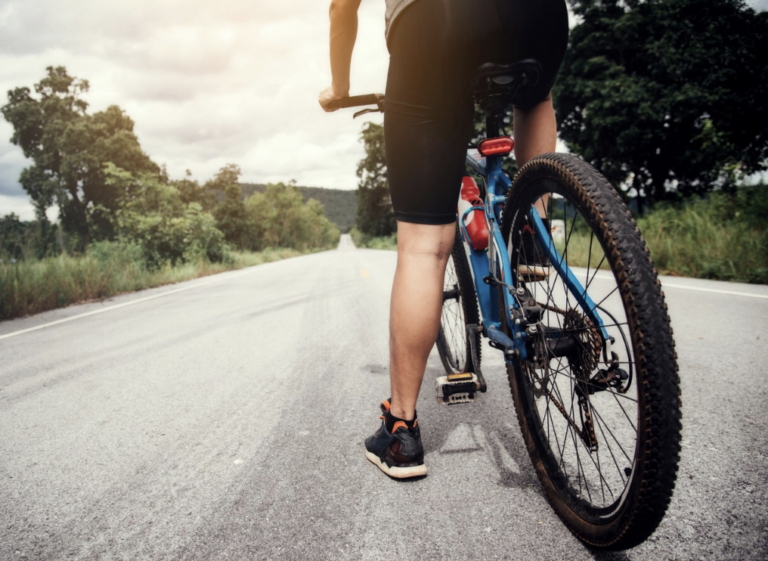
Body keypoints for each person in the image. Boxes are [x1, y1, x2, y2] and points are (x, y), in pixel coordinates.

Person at [319, 0, 569, 479]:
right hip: (538, 17)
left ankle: (401, 431)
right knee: (536, 96)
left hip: (437, 22)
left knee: (423, 246)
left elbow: (341, 7)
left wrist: (340, 88)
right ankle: (532, 233)